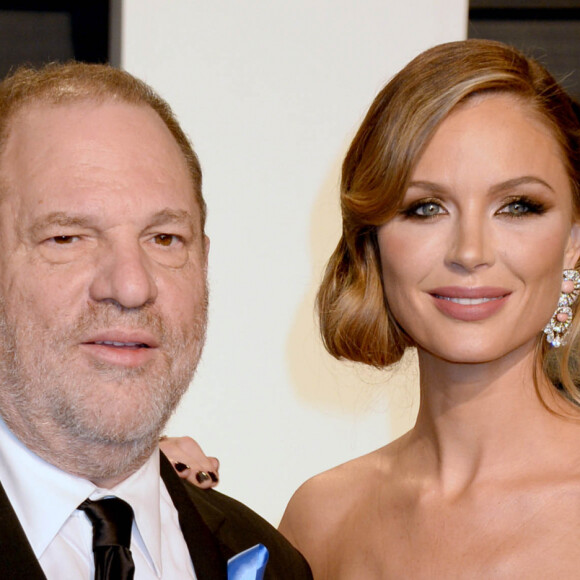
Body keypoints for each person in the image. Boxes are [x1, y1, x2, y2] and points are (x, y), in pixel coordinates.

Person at [166, 39, 580, 578]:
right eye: (425, 208)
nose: (470, 252)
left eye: (518, 206)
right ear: (372, 241)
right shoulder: (323, 519)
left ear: (573, 238)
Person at [0, 62, 312, 579]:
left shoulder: (270, 561)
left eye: (164, 239)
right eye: (67, 237)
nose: (130, 286)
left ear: (204, 264)